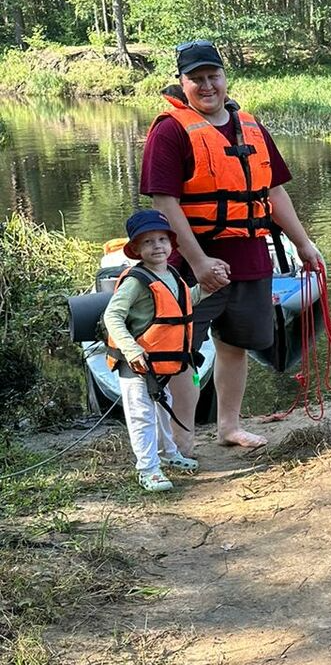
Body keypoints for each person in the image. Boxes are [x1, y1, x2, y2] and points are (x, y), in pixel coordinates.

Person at [140, 40, 323, 452]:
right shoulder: (170, 131)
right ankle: (180, 443)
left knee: (235, 345)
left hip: (250, 257)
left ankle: (229, 427)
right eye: (197, 79)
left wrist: (304, 244)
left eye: (213, 76)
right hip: (190, 265)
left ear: (225, 78)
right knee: (180, 352)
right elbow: (165, 205)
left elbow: (274, 194)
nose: (207, 86)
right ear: (182, 82)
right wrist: (199, 261)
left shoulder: (252, 127)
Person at [102, 209, 201, 492]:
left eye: (162, 239)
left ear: (171, 244)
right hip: (136, 364)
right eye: (148, 242)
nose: (157, 246)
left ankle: (169, 455)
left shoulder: (171, 273)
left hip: (162, 363)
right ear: (135, 249)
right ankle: (148, 469)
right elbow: (112, 316)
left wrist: (207, 289)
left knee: (161, 409)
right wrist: (132, 350)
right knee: (141, 415)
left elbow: (182, 304)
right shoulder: (135, 280)